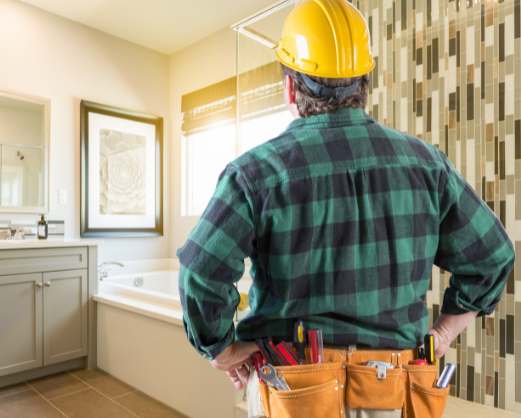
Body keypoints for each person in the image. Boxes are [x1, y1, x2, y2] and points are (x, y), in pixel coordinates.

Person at [177, 0, 515, 416]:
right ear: (365, 84)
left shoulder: (254, 173)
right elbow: (493, 257)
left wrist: (221, 347)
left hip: (292, 391)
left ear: (289, 86)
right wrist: (442, 333)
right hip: (391, 390)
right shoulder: (427, 165)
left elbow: (200, 270)